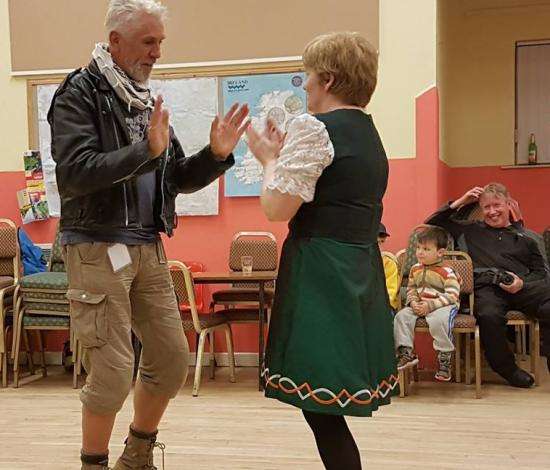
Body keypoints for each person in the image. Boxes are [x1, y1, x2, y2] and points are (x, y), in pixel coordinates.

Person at [48, 1, 249, 469]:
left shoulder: (142, 99)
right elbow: (75, 174)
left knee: (171, 360)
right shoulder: (78, 93)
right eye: (148, 41)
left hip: (147, 247)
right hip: (96, 245)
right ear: (116, 41)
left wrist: (215, 155)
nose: (158, 52)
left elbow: (174, 176)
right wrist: (145, 150)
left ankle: (137, 455)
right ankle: (93, 464)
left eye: (160, 42)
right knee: (115, 372)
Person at [246, 32, 397, 470]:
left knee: (320, 403)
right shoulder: (369, 132)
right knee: (323, 405)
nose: (304, 84)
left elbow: (276, 208)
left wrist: (269, 159)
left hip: (321, 269)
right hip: (356, 265)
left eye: (307, 75)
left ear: (327, 79)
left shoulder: (314, 128)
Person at [426, 182, 550, 388]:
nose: (492, 211)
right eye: (486, 207)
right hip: (487, 288)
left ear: (508, 204)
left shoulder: (529, 238)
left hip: (522, 287)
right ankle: (506, 369)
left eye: (497, 205)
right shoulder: (469, 230)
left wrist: (522, 284)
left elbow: (542, 274)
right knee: (488, 314)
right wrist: (462, 201)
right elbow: (433, 222)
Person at [393, 226, 461, 381]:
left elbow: (452, 295)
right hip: (421, 303)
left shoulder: (447, 271)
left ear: (440, 252)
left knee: (438, 320)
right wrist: (413, 302)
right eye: (418, 248)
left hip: (443, 305)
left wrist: (431, 306)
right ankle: (406, 352)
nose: (420, 252)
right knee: (401, 316)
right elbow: (411, 289)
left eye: (426, 249)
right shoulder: (415, 269)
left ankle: (444, 358)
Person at [378, 223, 400, 313]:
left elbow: (391, 292)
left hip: (385, 306)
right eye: (375, 242)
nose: (378, 246)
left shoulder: (389, 263)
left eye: (382, 242)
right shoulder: (359, 261)